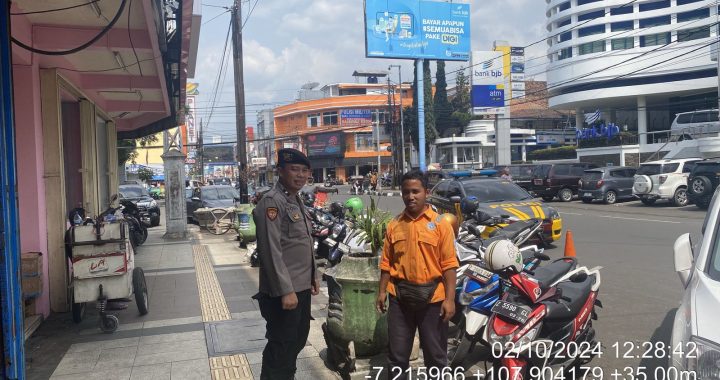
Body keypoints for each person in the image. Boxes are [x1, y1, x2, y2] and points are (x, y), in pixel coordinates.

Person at [376, 170, 459, 378]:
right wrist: (382, 292)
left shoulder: (441, 225)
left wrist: (450, 300)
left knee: (436, 356)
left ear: (426, 192)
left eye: (415, 191)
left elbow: (449, 265)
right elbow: (387, 262)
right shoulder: (394, 225)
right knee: (396, 356)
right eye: (406, 192)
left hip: (433, 299)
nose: (410, 196)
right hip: (399, 298)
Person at [252, 148, 319, 380]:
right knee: (281, 346)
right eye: (294, 170)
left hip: (299, 288)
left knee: (296, 340)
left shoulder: (295, 199)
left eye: (304, 171)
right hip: (284, 292)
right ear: (280, 171)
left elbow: (302, 243)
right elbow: (271, 250)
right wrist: (286, 290)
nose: (300, 175)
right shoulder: (272, 202)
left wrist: (313, 278)